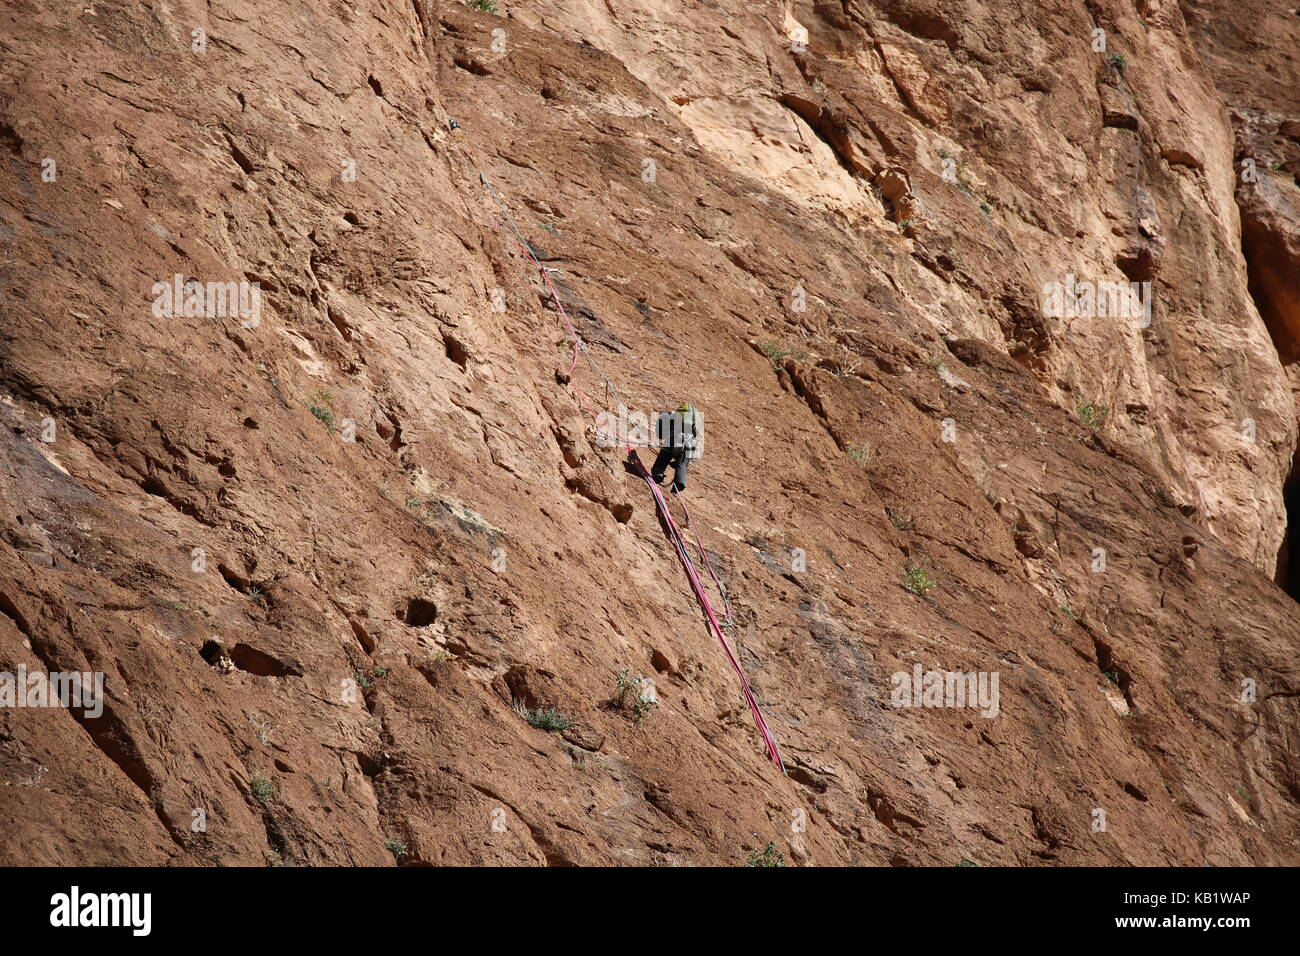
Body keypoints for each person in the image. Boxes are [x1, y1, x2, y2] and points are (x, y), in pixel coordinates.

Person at [652, 403, 702, 492]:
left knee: (661, 461)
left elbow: (660, 433)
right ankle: (678, 485)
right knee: (682, 464)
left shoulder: (670, 415)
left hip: (673, 441)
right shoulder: (694, 423)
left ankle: (658, 475)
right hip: (690, 445)